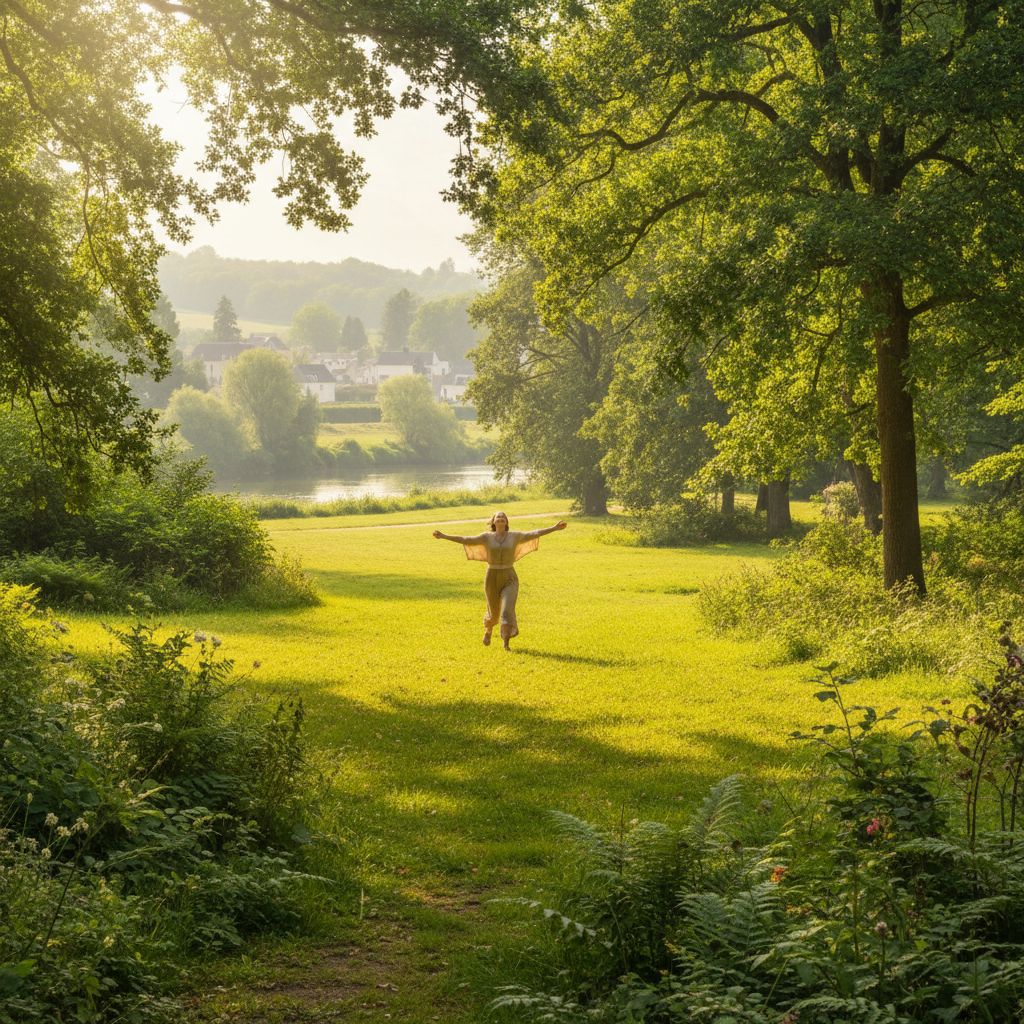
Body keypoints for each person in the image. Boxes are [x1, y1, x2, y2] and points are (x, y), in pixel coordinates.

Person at [433, 511, 568, 650]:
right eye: (498, 517)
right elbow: (466, 539)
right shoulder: (486, 537)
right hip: (492, 576)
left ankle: (506, 642)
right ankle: (489, 629)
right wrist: (444, 536)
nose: (501, 519)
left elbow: (534, 533)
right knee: (494, 613)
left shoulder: (515, 536)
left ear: (506, 522)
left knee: (507, 610)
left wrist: (554, 528)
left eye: (503, 517)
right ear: (494, 522)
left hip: (510, 577)